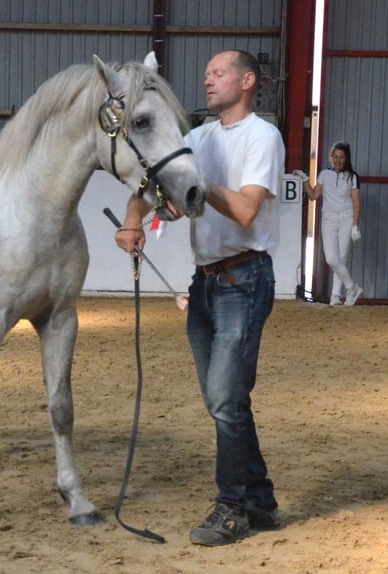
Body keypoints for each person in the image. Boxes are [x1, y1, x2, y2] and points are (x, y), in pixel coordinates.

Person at [115, 49, 283, 546]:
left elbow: (248, 211)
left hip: (245, 278)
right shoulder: (194, 138)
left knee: (226, 400)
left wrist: (196, 183)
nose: (207, 81)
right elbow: (149, 184)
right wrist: (132, 220)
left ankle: (231, 507)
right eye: (206, 73)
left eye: (218, 73)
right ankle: (261, 500)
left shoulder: (262, 137)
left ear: (248, 80)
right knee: (223, 401)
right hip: (206, 283)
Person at [294, 141, 363, 306]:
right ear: (331, 158)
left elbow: (356, 201)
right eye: (336, 157)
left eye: (341, 157)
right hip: (328, 218)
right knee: (331, 259)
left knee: (341, 257)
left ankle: (335, 296)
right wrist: (305, 179)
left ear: (346, 159)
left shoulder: (352, 177)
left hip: (346, 217)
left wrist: (355, 225)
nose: (338, 160)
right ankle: (352, 287)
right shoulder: (324, 174)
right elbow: (313, 195)